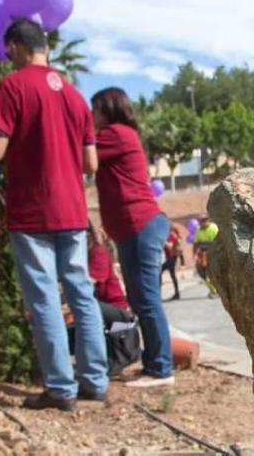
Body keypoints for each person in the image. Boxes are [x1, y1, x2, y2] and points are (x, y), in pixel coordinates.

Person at [0, 19, 108, 410]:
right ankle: (96, 382)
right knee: (82, 295)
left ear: (16, 47)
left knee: (44, 300)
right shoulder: (74, 96)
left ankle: (60, 389)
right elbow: (91, 163)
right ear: (46, 47)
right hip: (71, 210)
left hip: (32, 211)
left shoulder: (12, 87)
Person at [91, 86, 175, 388]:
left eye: (95, 109)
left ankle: (162, 369)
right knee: (142, 300)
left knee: (147, 300)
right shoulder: (118, 135)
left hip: (140, 226)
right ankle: (156, 363)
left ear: (108, 109)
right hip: (133, 230)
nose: (92, 116)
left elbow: (79, 150)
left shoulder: (115, 133)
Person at [88, 224, 134, 325]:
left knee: (83, 305)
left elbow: (90, 283)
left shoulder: (98, 252)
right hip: (101, 307)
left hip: (117, 309)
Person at [193, 215, 219, 298]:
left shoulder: (214, 228)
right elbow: (196, 244)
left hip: (214, 253)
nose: (204, 222)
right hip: (203, 254)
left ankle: (217, 290)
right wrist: (194, 255)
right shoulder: (198, 231)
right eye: (202, 221)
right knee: (202, 273)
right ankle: (213, 290)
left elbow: (219, 241)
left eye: (205, 220)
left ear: (209, 220)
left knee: (214, 273)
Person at [161, 226, 182, 301]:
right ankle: (177, 293)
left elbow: (170, 246)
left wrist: (164, 242)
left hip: (172, 257)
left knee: (162, 272)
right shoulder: (166, 236)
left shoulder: (171, 236)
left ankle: (177, 293)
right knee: (171, 274)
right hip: (169, 257)